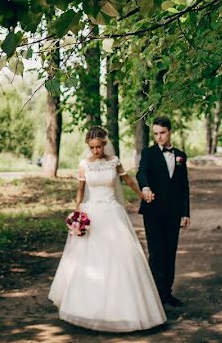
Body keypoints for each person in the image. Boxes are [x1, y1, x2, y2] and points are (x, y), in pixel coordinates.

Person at [48, 126, 167, 332]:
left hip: (113, 214)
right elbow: (81, 191)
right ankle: (86, 309)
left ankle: (127, 311)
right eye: (92, 147)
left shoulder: (114, 161)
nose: (96, 150)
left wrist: (142, 194)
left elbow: (128, 180)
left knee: (123, 258)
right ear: (88, 146)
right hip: (92, 215)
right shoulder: (84, 165)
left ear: (105, 144)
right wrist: (77, 214)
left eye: (99, 146)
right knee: (89, 261)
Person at [137, 116, 191, 307]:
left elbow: (184, 186)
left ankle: (167, 293)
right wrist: (145, 188)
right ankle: (154, 296)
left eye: (162, 133)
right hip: (153, 211)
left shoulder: (180, 155)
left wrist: (186, 213)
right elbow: (141, 173)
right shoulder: (148, 153)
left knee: (170, 252)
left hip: (174, 212)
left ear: (170, 132)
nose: (159, 137)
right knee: (156, 252)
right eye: (156, 134)